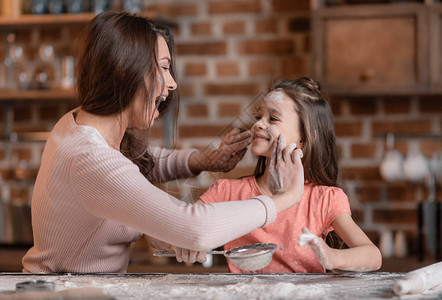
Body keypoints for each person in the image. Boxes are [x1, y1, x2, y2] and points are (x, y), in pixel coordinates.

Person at [21, 11, 304, 273]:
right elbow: (195, 227)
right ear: (125, 69)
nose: (172, 83)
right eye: (164, 68)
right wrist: (282, 199)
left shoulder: (77, 123)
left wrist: (206, 161)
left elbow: (139, 163)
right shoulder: (88, 158)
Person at [199, 77, 382, 273]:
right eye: (258, 117)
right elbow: (184, 227)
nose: (258, 124)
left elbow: (373, 256)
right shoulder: (226, 192)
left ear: (305, 138)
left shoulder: (324, 199)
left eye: (273, 119)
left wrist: (332, 256)